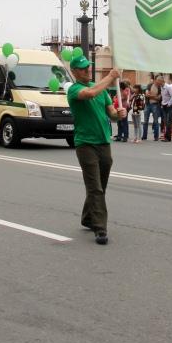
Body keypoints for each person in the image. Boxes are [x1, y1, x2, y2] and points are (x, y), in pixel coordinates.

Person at [65, 55, 122, 246]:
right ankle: (100, 229)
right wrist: (111, 77)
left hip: (103, 143)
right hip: (85, 144)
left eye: (88, 67)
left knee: (100, 186)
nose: (87, 70)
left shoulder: (102, 90)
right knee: (95, 187)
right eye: (82, 69)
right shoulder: (75, 90)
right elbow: (90, 93)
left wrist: (119, 114)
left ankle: (88, 217)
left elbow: (111, 114)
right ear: (74, 72)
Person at [160, 77, 172, 142]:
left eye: (158, 81)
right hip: (164, 105)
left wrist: (168, 104)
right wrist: (162, 103)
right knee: (165, 121)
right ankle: (166, 136)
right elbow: (163, 97)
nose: (157, 83)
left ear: (161, 81)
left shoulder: (168, 87)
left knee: (168, 121)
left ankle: (168, 137)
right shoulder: (161, 87)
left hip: (169, 106)